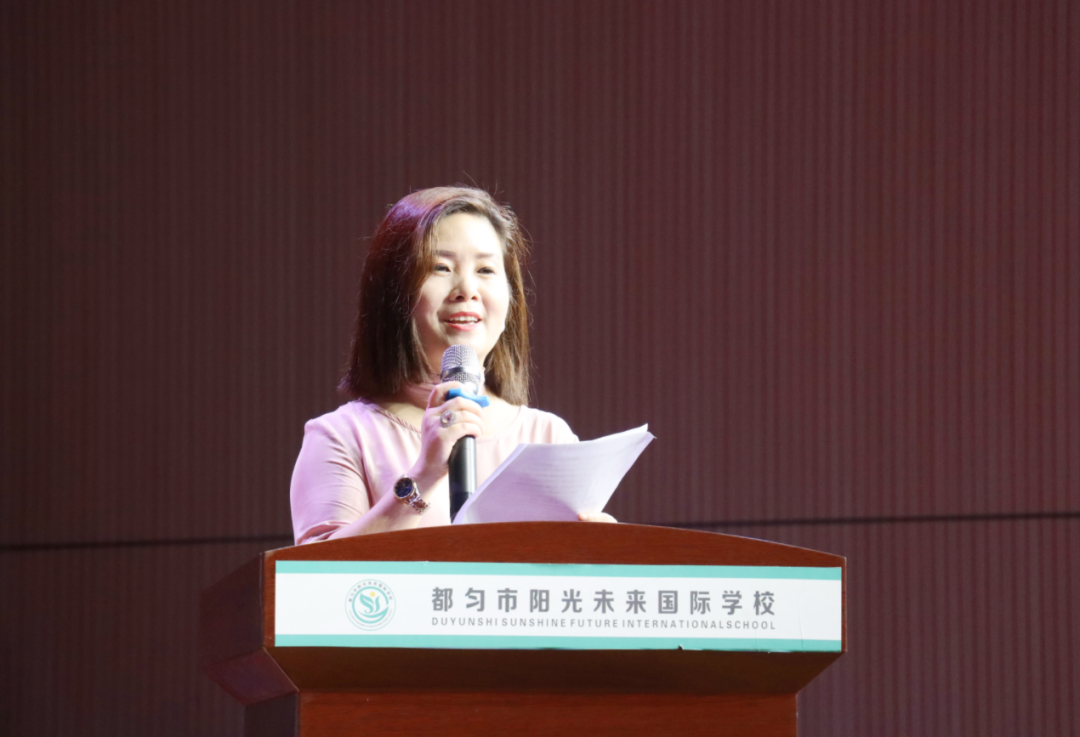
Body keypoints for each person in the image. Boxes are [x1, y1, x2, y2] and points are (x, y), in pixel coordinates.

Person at [290, 186, 614, 544]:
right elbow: (315, 571)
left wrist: (601, 551)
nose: (467, 289)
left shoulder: (549, 437)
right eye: (441, 268)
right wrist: (425, 474)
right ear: (394, 296)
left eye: (486, 269)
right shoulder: (342, 436)